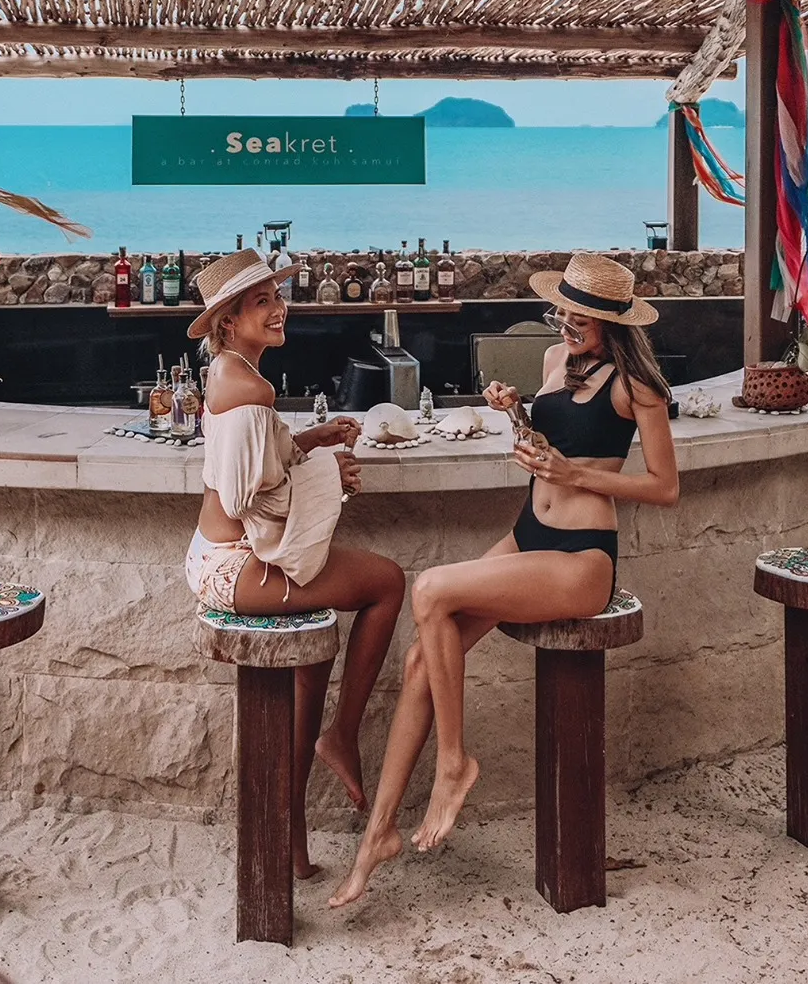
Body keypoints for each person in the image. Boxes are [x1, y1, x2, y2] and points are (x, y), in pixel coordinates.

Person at [331, 253, 681, 907]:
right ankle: (378, 836)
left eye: (581, 321)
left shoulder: (637, 386)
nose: (567, 328)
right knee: (419, 659)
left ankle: (454, 763)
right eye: (563, 315)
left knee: (430, 589)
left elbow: (664, 487)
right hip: (529, 534)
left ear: (613, 323)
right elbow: (547, 448)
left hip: (581, 559)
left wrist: (577, 475)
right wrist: (515, 415)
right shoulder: (554, 359)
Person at [182, 247, 406, 879]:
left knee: (317, 651)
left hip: (218, 556)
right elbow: (246, 497)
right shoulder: (250, 387)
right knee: (387, 584)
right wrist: (331, 474)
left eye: (277, 297)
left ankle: (294, 836)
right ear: (228, 321)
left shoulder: (230, 372)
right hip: (234, 567)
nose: (279, 309)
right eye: (262, 302)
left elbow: (251, 461)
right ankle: (342, 734)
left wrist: (312, 440)